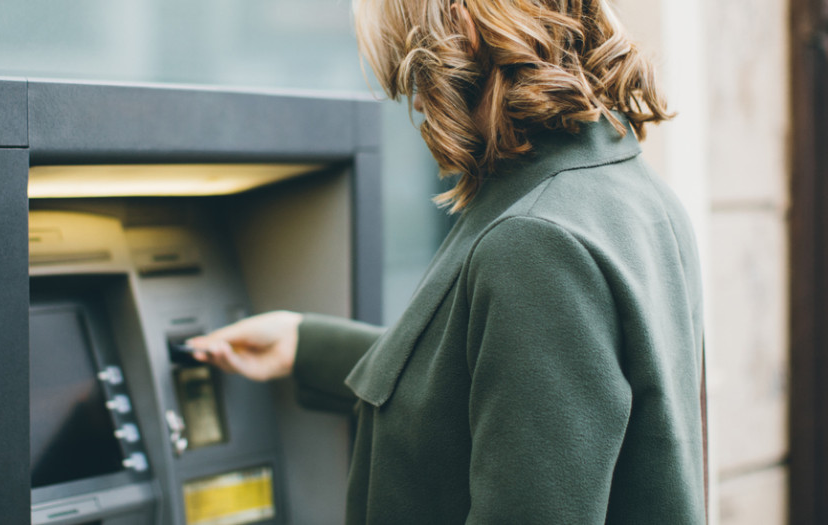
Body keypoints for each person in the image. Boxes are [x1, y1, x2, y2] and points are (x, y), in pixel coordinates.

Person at [185, 0, 706, 523]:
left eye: (407, 69)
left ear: (460, 32)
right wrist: (308, 346)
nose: (414, 99)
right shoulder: (628, 192)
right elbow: (504, 391)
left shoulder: (535, 240)